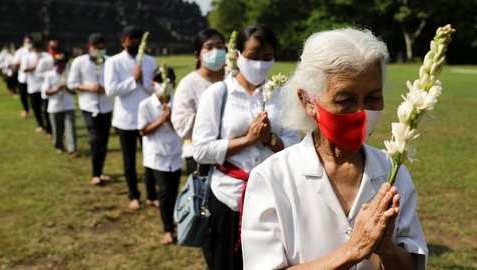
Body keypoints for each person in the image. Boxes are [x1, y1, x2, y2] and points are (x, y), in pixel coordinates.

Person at [241, 28, 428, 270]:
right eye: (345, 100)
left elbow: (413, 264)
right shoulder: (272, 178)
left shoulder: (393, 172)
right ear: (308, 102)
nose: (361, 112)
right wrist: (352, 250)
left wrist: (386, 249)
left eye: (372, 99)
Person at [192, 24, 301, 270]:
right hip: (228, 195)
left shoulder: (280, 94)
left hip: (270, 197)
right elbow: (201, 150)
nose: (260, 64)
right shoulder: (218, 94)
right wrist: (248, 140)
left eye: (267, 58)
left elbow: (295, 142)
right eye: (252, 57)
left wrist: (271, 140)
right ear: (238, 55)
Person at [104, 26, 158, 210]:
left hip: (148, 119)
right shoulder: (113, 62)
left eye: (138, 40)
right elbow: (110, 90)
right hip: (125, 119)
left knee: (150, 159)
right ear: (123, 42)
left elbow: (156, 88)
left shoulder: (150, 61)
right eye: (131, 39)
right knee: (129, 161)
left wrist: (143, 81)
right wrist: (132, 80)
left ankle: (152, 194)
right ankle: (133, 194)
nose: (134, 43)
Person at [171, 28, 226, 175]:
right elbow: (181, 124)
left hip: (234, 153)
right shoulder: (188, 84)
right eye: (209, 47)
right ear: (197, 55)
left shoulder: (234, 79)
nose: (216, 51)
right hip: (200, 156)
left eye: (220, 47)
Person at [137, 66, 182, 244]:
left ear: (174, 83)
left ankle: (172, 218)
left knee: (173, 191)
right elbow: (143, 131)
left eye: (168, 81)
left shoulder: (178, 104)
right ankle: (168, 229)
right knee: (163, 192)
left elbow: (182, 130)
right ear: (153, 84)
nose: (164, 85)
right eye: (160, 81)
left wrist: (169, 119)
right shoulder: (145, 105)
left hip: (175, 156)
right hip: (157, 156)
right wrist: (161, 120)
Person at [67, 33, 114, 185]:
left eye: (102, 48)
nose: (100, 50)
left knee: (104, 140)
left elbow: (115, 84)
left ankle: (100, 170)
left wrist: (105, 90)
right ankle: (95, 173)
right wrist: (89, 87)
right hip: (88, 106)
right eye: (97, 48)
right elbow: (72, 84)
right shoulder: (79, 62)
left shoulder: (110, 62)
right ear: (90, 47)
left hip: (106, 106)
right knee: (95, 139)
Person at [42, 54, 78, 157]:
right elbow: (46, 92)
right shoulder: (49, 75)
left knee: (70, 128)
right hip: (55, 107)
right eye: (59, 64)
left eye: (63, 64)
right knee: (57, 129)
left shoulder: (69, 75)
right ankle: (59, 146)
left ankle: (72, 149)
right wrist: (57, 88)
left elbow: (75, 92)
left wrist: (66, 88)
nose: (61, 66)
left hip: (68, 105)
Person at [23, 39, 53, 133]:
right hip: (33, 86)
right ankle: (40, 125)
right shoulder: (27, 57)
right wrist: (36, 65)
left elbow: (52, 68)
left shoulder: (47, 56)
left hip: (45, 86)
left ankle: (49, 128)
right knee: (36, 108)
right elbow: (25, 69)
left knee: (47, 109)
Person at [14, 35, 33, 118]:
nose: (28, 44)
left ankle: (34, 108)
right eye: (26, 42)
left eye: (29, 42)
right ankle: (26, 109)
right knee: (23, 95)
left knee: (33, 95)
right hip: (23, 77)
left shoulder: (35, 51)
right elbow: (15, 64)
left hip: (33, 78)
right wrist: (24, 61)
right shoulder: (20, 52)